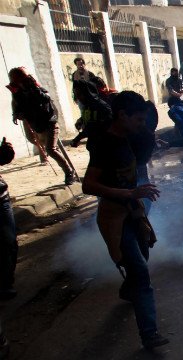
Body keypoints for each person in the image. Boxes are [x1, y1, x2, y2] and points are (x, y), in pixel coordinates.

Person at [82, 91, 169, 350]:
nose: (143, 125)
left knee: (142, 258)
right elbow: (89, 185)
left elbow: (140, 156)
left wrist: (154, 143)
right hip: (114, 213)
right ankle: (149, 334)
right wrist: (129, 193)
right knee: (141, 270)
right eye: (139, 120)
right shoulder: (104, 144)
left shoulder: (132, 137)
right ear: (122, 115)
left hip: (134, 209)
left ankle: (128, 288)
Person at [7, 67, 76, 185]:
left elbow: (45, 101)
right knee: (36, 141)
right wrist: (16, 114)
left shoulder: (37, 90)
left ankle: (69, 172)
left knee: (50, 149)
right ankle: (55, 151)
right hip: (35, 124)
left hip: (49, 123)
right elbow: (16, 103)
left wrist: (33, 89)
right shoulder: (18, 93)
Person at [0, 137, 16, 359]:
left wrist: (6, 152)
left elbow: (3, 159)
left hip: (0, 198)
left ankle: (6, 281)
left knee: (8, 242)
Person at [70, 80, 112, 148]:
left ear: (87, 92)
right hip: (94, 147)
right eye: (76, 94)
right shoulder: (87, 106)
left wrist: (78, 138)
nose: (78, 97)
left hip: (105, 147)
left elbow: (94, 127)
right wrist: (81, 120)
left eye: (80, 94)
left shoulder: (100, 106)